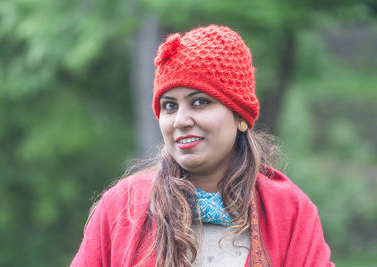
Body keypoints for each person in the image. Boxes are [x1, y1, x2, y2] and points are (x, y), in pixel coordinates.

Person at [70, 25, 335, 267]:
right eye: (170, 106)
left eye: (200, 102)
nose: (181, 121)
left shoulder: (290, 212)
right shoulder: (121, 209)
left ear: (240, 116)